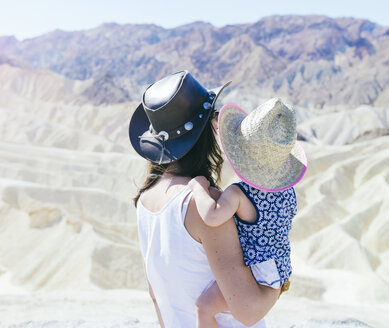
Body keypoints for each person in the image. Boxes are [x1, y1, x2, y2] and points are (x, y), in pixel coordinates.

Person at [129, 71, 281, 327]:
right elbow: (249, 310)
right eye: (214, 116)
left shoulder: (146, 199)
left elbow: (156, 296)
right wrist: (279, 280)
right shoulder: (204, 207)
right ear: (204, 132)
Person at [188, 99, 308, 328]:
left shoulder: (239, 193)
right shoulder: (287, 191)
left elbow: (212, 216)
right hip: (280, 269)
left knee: (204, 307)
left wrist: (197, 187)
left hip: (259, 273)